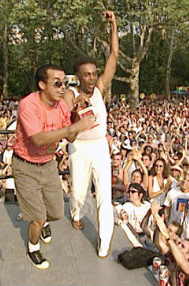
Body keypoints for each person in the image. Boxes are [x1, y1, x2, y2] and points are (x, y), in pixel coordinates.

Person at [12, 64, 95, 270]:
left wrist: (76, 115)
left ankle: (44, 223)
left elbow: (71, 136)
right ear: (42, 85)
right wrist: (74, 126)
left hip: (48, 163)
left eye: (64, 84)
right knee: (37, 217)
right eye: (57, 83)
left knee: (57, 213)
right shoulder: (28, 105)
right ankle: (33, 247)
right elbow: (39, 139)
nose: (62, 88)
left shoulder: (62, 107)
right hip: (26, 165)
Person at [64, 10, 118, 258]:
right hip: (79, 149)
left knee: (105, 197)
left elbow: (114, 56)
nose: (92, 77)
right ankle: (76, 213)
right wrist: (76, 115)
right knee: (78, 194)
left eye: (95, 73)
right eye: (87, 74)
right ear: (78, 77)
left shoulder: (100, 89)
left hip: (99, 147)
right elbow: (69, 136)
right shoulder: (70, 95)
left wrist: (114, 25)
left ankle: (104, 241)